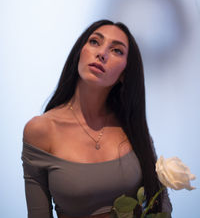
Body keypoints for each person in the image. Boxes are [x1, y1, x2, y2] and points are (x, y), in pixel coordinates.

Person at [22, 19, 172, 218]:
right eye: (94, 42)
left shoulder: (132, 127)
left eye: (117, 50)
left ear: (124, 74)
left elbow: (161, 204)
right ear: (79, 53)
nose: (102, 53)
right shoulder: (40, 130)